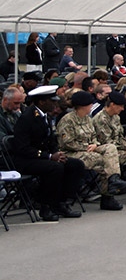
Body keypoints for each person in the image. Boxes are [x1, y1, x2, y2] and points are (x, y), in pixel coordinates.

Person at [9, 86, 84, 221]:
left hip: (41, 157)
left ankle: (62, 202)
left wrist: (57, 153)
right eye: (52, 101)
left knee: (75, 164)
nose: (55, 104)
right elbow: (22, 148)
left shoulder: (45, 116)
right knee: (54, 168)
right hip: (26, 160)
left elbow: (51, 141)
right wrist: (49, 156)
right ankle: (46, 206)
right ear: (42, 102)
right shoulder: (27, 118)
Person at [57, 90, 126, 211]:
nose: (92, 106)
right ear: (83, 106)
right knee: (105, 161)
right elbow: (67, 142)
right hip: (72, 153)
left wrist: (94, 144)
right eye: (90, 104)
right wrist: (87, 147)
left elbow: (93, 136)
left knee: (110, 148)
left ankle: (114, 180)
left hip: (90, 149)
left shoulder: (87, 119)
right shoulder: (68, 120)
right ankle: (108, 195)